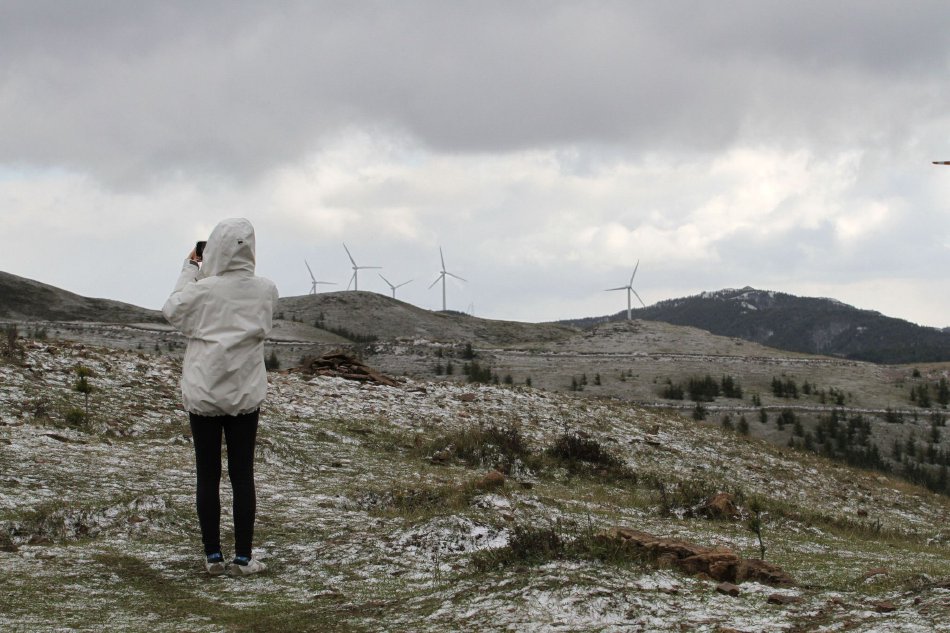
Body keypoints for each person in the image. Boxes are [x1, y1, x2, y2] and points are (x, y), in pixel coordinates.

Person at [163, 218, 279, 576]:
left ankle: (212, 556)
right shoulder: (266, 290)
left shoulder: (203, 290)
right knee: (243, 475)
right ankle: (243, 558)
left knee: (207, 474)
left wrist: (192, 268)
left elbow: (173, 310)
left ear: (214, 248)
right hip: (245, 394)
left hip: (204, 394)